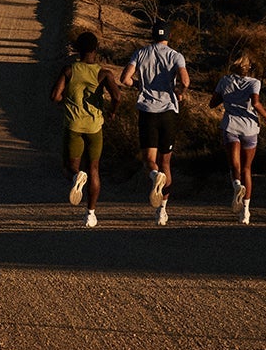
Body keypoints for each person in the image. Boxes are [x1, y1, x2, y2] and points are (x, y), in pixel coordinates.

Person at [121, 21, 189, 225]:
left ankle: (153, 176)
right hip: (168, 111)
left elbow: (125, 79)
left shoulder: (140, 53)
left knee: (149, 159)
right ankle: (162, 210)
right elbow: (185, 81)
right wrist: (179, 93)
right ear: (168, 36)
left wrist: (139, 85)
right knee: (166, 162)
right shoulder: (175, 55)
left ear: (152, 35)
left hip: (147, 111)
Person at [51, 31, 120, 227]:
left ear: (77, 50)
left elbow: (55, 96)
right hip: (94, 127)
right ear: (96, 49)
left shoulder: (69, 70)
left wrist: (66, 102)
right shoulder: (103, 73)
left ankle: (76, 177)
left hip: (73, 125)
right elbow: (117, 97)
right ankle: (90, 213)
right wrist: (112, 112)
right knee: (94, 169)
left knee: (69, 167)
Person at [210, 52, 266, 225]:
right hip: (249, 128)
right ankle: (245, 211)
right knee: (247, 168)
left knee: (234, 165)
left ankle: (237, 185)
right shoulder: (255, 83)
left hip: (230, 125)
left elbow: (212, 103)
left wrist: (227, 98)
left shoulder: (225, 80)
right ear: (250, 68)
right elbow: (255, 103)